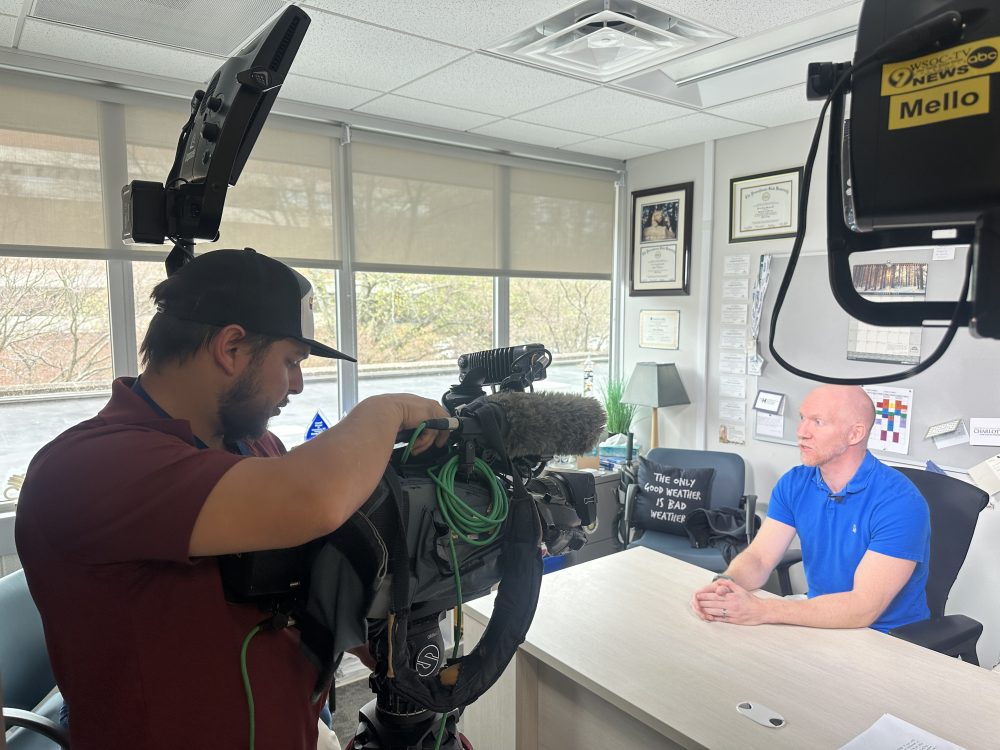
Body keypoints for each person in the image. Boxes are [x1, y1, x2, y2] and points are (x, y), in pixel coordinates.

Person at [14, 248, 451, 750]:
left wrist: (381, 635)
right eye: (290, 362)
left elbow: (312, 565)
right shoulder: (88, 466)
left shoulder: (254, 446)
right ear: (231, 347)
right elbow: (311, 500)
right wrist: (387, 410)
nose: (298, 384)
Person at [691, 384, 930, 633]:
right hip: (817, 616)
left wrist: (763, 609)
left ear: (854, 434)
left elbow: (863, 607)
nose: (802, 432)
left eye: (818, 422)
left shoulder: (901, 503)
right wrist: (724, 585)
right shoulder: (795, 483)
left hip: (886, 635)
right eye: (803, 418)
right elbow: (760, 558)